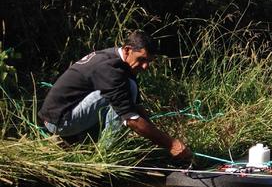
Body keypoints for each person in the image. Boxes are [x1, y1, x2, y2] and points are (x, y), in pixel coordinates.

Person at [38, 30, 193, 162]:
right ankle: (105, 156)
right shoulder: (110, 68)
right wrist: (171, 144)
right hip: (59, 121)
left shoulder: (122, 64)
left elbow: (137, 108)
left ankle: (84, 143)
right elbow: (131, 118)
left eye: (149, 62)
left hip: (72, 114)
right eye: (142, 59)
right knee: (114, 98)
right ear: (127, 50)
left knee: (126, 92)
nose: (145, 66)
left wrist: (158, 140)